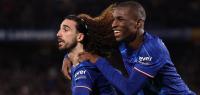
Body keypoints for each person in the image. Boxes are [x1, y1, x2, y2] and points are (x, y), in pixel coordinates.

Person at [76, 1, 196, 95]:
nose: (113, 24)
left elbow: (129, 89)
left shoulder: (151, 48)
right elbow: (88, 39)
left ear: (138, 24)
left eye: (120, 19)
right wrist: (69, 56)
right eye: (113, 19)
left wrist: (97, 60)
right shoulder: (124, 40)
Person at [57, 10, 118, 94]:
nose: (58, 34)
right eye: (60, 29)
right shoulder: (79, 61)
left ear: (80, 37)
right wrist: (67, 57)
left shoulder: (85, 68)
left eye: (65, 30)